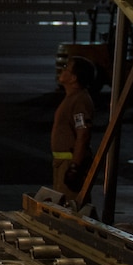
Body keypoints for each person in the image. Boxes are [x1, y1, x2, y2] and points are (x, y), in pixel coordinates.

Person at [51, 54, 97, 204]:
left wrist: (74, 167)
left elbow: (83, 133)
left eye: (66, 69)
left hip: (69, 163)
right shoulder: (72, 98)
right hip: (62, 163)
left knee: (71, 207)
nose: (62, 71)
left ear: (74, 78)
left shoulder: (79, 100)